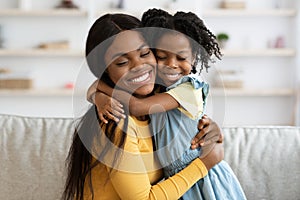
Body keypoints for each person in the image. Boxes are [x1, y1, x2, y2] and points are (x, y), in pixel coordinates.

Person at [62, 13, 224, 200]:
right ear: (105, 72)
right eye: (122, 62)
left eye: (145, 53)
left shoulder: (159, 107)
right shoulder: (115, 120)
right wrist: (205, 163)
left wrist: (208, 129)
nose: (139, 66)